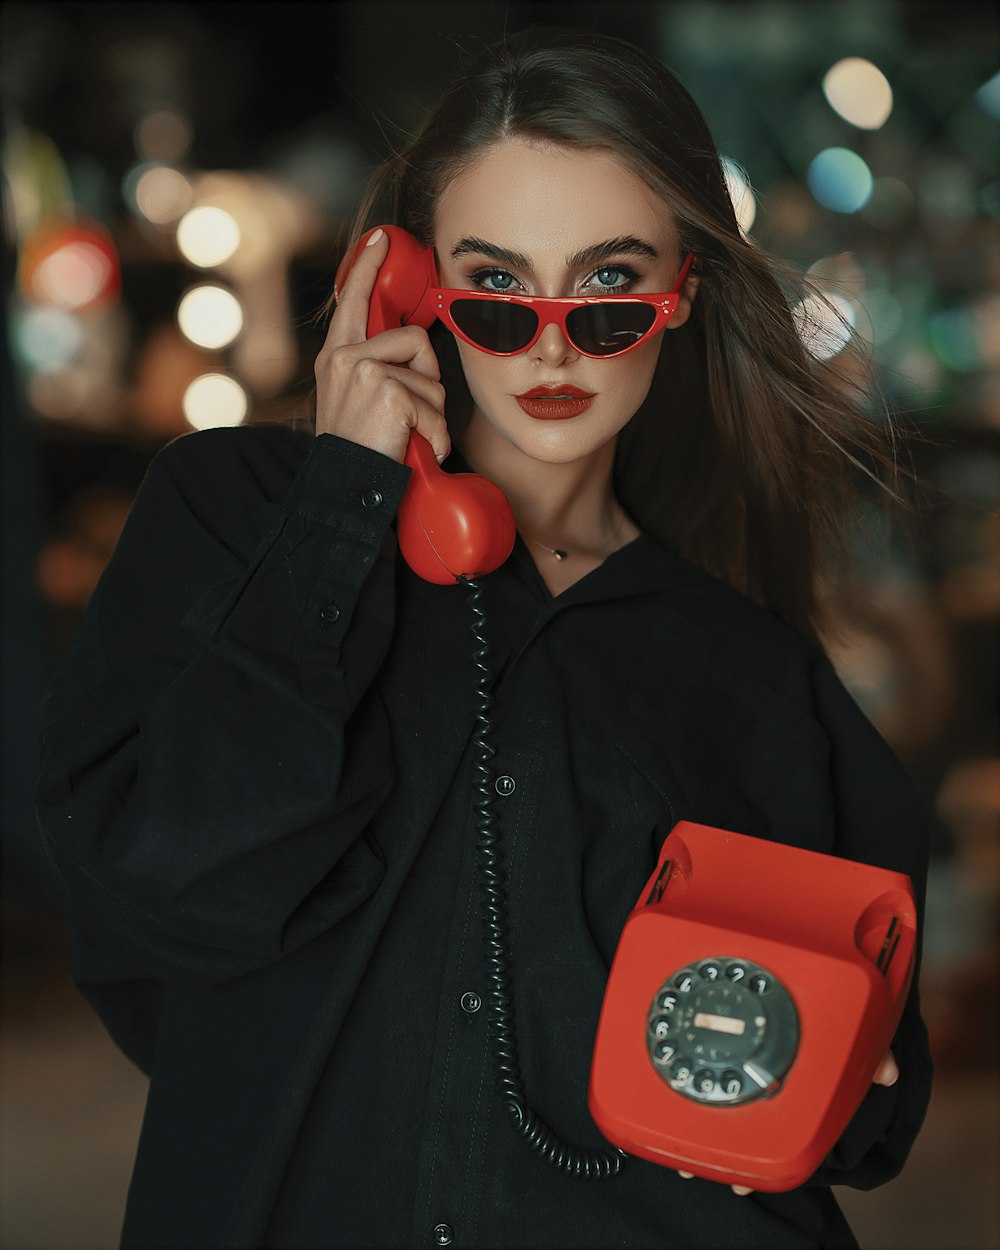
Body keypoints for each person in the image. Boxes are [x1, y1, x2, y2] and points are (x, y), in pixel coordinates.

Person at [35, 25, 932, 1250]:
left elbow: (867, 1082)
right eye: (496, 290)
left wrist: (841, 1072)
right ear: (407, 286)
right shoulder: (235, 519)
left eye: (609, 287)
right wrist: (342, 506)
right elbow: (156, 893)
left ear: (685, 294)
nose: (552, 344)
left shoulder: (750, 670)